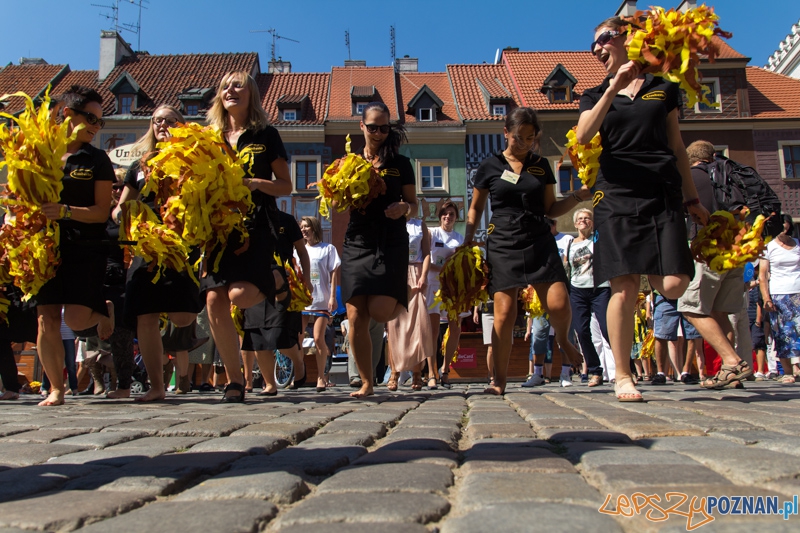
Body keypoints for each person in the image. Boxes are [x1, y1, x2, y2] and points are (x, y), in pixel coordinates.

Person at [576, 17, 710, 401]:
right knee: (624, 286)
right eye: (593, 44)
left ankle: (650, 265)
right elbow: (583, 134)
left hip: (662, 192)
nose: (597, 48)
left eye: (604, 38)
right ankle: (622, 375)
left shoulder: (663, 88)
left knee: (674, 283)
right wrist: (613, 87)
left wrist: (692, 200)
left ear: (627, 37)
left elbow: (677, 146)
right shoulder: (594, 94)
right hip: (616, 194)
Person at [465, 107, 589, 395]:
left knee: (559, 304)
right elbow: (476, 208)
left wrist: (576, 196)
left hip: (538, 238)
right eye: (518, 138)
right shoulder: (490, 165)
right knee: (504, 314)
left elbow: (551, 208)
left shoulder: (541, 165)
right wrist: (468, 239)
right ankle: (499, 380)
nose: (524, 144)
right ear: (506, 133)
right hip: (503, 240)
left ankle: (564, 340)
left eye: (530, 138)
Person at [202, 71, 292, 402]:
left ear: (251, 93)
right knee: (214, 300)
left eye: (238, 85)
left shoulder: (266, 134)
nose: (231, 90)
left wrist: (255, 183)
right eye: (225, 86)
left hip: (255, 224)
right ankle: (234, 380)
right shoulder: (209, 137)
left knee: (239, 296)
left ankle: (276, 278)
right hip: (218, 227)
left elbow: (285, 185)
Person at [112, 104, 204, 402]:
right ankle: (157, 386)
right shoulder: (140, 166)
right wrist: (127, 217)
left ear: (182, 125)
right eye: (156, 120)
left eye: (169, 120)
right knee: (145, 315)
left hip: (181, 243)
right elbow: (120, 208)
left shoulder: (192, 160)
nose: (161, 124)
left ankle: (177, 349)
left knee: (183, 316)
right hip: (147, 244)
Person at [33, 85, 115, 406]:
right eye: (91, 118)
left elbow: (101, 211)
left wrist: (65, 211)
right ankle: (56, 388)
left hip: (85, 246)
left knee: (77, 321)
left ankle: (103, 310)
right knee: (47, 318)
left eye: (100, 121)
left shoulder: (96, 159)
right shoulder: (40, 152)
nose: (96, 126)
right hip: (45, 247)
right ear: (68, 113)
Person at [342, 101, 418, 398]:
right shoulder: (349, 162)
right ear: (362, 126)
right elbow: (336, 201)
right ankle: (366, 382)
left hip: (391, 240)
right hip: (357, 240)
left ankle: (400, 293)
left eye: (384, 128)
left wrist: (404, 208)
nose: (378, 133)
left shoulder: (401, 164)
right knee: (355, 315)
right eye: (372, 127)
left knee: (380, 311)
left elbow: (415, 205)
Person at [678, 140, 753, 388]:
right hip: (736, 249)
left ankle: (732, 362)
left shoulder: (691, 178)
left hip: (708, 248)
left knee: (690, 308)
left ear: (690, 159)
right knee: (721, 313)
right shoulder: (731, 176)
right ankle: (730, 375)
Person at [241, 210, 310, 396]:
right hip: (254, 282)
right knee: (258, 336)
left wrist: (306, 279)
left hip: (283, 283)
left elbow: (302, 251)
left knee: (281, 337)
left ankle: (298, 363)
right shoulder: (246, 220)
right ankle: (270, 384)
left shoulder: (286, 220)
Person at [386, 213, 432, 391]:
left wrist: (424, 275)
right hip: (397, 273)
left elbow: (427, 254)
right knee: (395, 326)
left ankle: (417, 373)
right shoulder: (390, 222)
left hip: (416, 272)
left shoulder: (420, 225)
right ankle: (394, 373)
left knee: (418, 327)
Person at [567, 208, 610, 387]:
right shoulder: (570, 243)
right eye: (580, 218)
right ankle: (595, 371)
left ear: (592, 222)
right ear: (575, 223)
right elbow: (567, 267)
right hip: (577, 290)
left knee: (607, 329)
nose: (583, 221)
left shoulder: (598, 239)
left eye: (587, 218)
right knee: (582, 331)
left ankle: (626, 367)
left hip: (600, 288)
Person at [298, 216, 340, 392]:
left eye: (306, 226)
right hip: (302, 300)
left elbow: (334, 273)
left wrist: (333, 297)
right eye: (301, 227)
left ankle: (321, 377)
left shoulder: (328, 249)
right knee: (298, 338)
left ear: (314, 228)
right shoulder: (299, 250)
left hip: (321, 299)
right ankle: (298, 375)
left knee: (318, 338)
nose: (303, 230)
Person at [427, 200, 464, 388]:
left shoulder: (460, 238)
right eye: (445, 214)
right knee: (433, 331)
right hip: (434, 283)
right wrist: (441, 268)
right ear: (440, 216)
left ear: (456, 218)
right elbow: (425, 259)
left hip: (453, 287)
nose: (448, 217)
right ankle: (431, 372)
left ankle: (445, 369)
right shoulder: (432, 233)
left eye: (451, 214)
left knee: (455, 329)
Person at [759, 215, 800, 384]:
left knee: (798, 331)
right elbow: (762, 275)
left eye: (785, 223)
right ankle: (787, 372)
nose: (783, 226)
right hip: (779, 294)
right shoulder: (768, 246)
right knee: (783, 333)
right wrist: (766, 298)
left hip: (798, 293)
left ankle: (797, 369)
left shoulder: (797, 244)